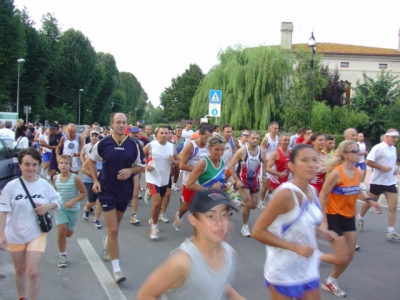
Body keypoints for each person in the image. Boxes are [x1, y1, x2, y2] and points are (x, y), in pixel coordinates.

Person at [252, 144, 337, 300]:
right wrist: (294, 247)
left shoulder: (313, 190)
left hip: (308, 267)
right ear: (292, 166)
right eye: (304, 160)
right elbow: (258, 231)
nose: (311, 164)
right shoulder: (285, 194)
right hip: (283, 270)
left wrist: (321, 232)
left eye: (314, 160)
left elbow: (302, 221)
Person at [137, 189, 244, 300]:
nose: (220, 222)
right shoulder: (182, 262)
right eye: (211, 216)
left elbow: (215, 282)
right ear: (193, 220)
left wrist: (233, 294)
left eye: (224, 214)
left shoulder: (229, 254)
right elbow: (145, 295)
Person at [88, 112, 145, 283]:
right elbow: (90, 161)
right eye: (118, 122)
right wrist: (96, 180)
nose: (121, 125)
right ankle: (117, 270)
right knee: (113, 229)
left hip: (124, 190)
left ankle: (107, 241)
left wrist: (130, 171)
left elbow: (141, 167)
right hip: (106, 189)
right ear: (111, 124)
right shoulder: (102, 143)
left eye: (124, 122)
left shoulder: (134, 144)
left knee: (115, 228)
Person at [319, 140, 380, 297]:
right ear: (345, 154)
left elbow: (354, 191)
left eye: (359, 150)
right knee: (342, 256)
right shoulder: (336, 173)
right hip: (334, 217)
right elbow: (323, 195)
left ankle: (330, 281)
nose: (359, 154)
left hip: (349, 217)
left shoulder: (357, 173)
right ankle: (312, 257)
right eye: (354, 151)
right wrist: (324, 221)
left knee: (350, 255)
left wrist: (368, 200)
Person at [0, 148, 61, 300]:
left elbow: (57, 200)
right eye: (27, 164)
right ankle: (22, 296)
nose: (31, 168)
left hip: (36, 233)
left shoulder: (44, 185)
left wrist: (47, 206)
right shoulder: (11, 186)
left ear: (38, 165)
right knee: (20, 269)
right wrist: (1, 235)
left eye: (34, 165)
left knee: (33, 272)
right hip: (14, 234)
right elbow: (3, 211)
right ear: (20, 166)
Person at [357, 128, 400, 239]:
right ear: (386, 136)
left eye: (397, 137)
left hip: (390, 181)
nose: (395, 139)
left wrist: (394, 169)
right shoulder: (378, 147)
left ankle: (391, 231)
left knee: (393, 206)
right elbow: (368, 161)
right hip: (377, 181)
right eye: (393, 137)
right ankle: (360, 217)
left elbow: (391, 161)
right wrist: (382, 168)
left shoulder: (393, 149)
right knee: (370, 202)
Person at [174, 125, 213, 231]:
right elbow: (182, 165)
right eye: (206, 137)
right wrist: (198, 169)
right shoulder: (191, 146)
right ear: (200, 135)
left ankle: (201, 230)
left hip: (204, 181)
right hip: (190, 181)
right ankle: (179, 215)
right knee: (187, 206)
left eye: (210, 138)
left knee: (203, 207)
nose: (208, 140)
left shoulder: (209, 147)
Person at [144, 126, 179, 240]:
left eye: (166, 133)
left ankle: (153, 219)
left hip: (165, 178)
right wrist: (146, 166)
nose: (164, 135)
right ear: (157, 135)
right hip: (152, 177)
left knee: (160, 202)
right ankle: (154, 226)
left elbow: (178, 160)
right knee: (157, 202)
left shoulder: (172, 147)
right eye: (162, 133)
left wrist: (174, 161)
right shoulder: (150, 146)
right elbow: (139, 157)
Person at [229, 131, 266, 237]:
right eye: (253, 138)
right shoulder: (242, 151)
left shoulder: (262, 151)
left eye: (257, 139)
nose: (255, 140)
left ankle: (238, 204)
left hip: (254, 180)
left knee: (253, 206)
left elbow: (265, 161)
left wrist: (264, 175)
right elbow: (231, 166)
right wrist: (237, 180)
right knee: (248, 203)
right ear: (248, 138)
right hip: (243, 179)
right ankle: (245, 227)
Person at [53, 155, 86, 268]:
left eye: (66, 163)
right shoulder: (55, 178)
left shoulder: (75, 178)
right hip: (61, 208)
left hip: (73, 209)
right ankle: (62, 255)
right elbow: (55, 192)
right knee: (61, 232)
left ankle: (67, 235)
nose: (63, 165)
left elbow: (83, 193)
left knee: (68, 234)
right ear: (58, 165)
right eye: (61, 163)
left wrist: (73, 201)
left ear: (70, 166)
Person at [80, 131, 103, 229]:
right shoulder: (91, 157)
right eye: (92, 136)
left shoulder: (105, 157)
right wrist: (94, 175)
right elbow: (83, 170)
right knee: (92, 202)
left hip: (102, 181)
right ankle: (87, 208)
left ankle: (96, 219)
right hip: (90, 181)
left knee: (100, 200)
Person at [259, 122, 279, 210]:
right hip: (266, 164)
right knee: (266, 185)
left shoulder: (278, 138)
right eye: (275, 128)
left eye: (277, 128)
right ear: (269, 129)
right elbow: (260, 151)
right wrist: (267, 159)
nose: (277, 130)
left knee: (272, 185)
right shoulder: (266, 139)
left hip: (274, 164)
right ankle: (261, 202)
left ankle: (268, 196)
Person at [171, 125, 184, 191]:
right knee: (171, 171)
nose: (179, 132)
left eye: (181, 131)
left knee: (177, 171)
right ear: (175, 131)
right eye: (178, 131)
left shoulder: (183, 138)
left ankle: (174, 184)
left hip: (179, 156)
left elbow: (184, 148)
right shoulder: (172, 138)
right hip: (172, 156)